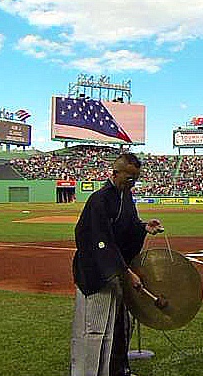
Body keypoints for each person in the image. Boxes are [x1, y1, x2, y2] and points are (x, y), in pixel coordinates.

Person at [70, 153, 164, 376]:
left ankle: (112, 371)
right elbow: (101, 241)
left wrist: (143, 227)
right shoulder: (99, 200)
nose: (132, 183)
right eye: (129, 178)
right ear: (115, 173)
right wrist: (126, 272)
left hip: (115, 272)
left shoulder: (126, 197)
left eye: (135, 179)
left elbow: (128, 227)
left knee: (111, 330)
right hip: (95, 275)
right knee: (93, 330)